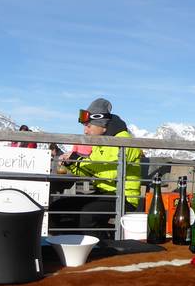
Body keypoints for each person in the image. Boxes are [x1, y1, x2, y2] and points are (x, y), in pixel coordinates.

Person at [53, 98, 142, 234]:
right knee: (58, 208)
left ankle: (100, 245)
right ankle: (69, 243)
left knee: (87, 214)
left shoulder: (124, 141)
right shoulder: (100, 142)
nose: (85, 131)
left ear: (102, 124)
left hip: (123, 197)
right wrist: (72, 164)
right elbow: (91, 171)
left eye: (88, 126)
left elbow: (111, 173)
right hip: (104, 194)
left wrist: (78, 160)